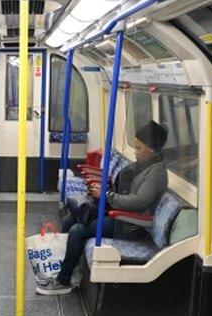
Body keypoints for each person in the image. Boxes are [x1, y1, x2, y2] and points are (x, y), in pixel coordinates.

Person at [37, 120, 169, 295]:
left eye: (139, 148)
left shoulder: (156, 173)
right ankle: (65, 268)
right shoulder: (142, 166)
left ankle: (64, 281)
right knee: (70, 220)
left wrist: (107, 196)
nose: (135, 152)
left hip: (130, 225)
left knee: (77, 230)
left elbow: (139, 202)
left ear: (152, 150)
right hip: (119, 215)